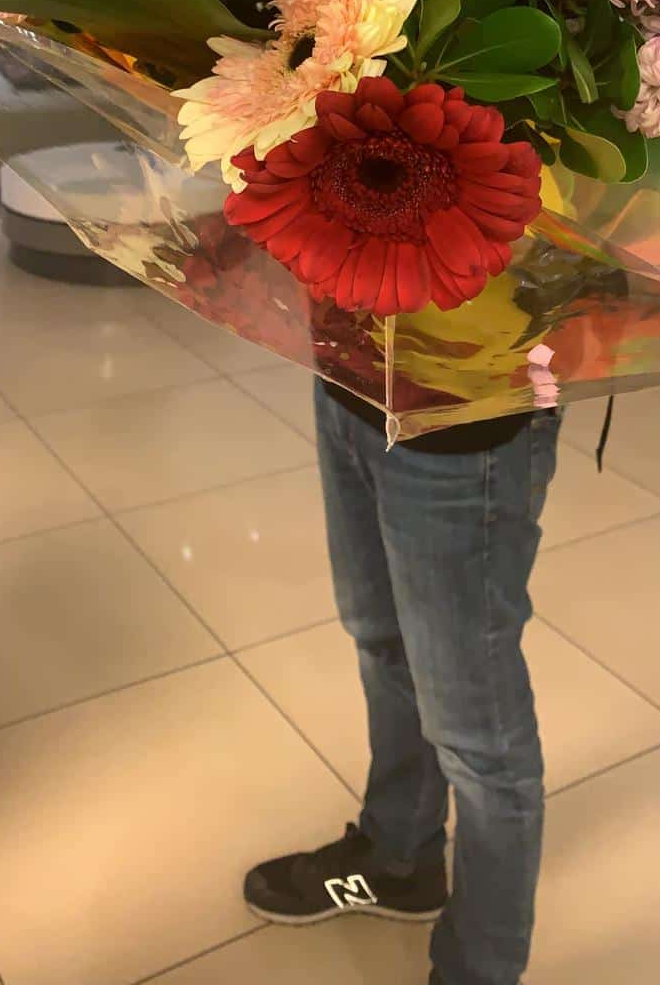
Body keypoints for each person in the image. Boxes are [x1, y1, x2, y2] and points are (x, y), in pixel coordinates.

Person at [244, 377, 561, 985]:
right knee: (384, 640)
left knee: (478, 732)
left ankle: (479, 972)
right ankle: (400, 859)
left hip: (465, 415)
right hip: (350, 379)